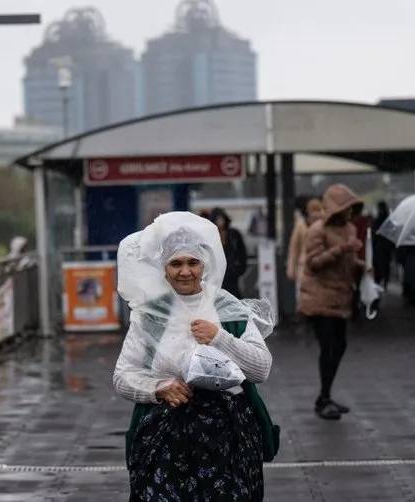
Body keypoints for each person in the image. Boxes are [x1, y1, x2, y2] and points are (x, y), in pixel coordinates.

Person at [113, 212, 278, 501]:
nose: (185, 271)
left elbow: (261, 370)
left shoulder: (229, 309)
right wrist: (158, 388)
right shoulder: (150, 315)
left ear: (205, 265)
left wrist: (220, 338)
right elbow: (123, 376)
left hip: (227, 437)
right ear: (163, 268)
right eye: (175, 263)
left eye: (193, 262)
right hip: (165, 437)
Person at [299, 184, 364, 420]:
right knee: (328, 348)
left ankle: (325, 394)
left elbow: (347, 262)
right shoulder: (317, 230)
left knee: (340, 346)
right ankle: (323, 398)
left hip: (341, 296)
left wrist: (360, 265)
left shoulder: (350, 229)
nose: (349, 212)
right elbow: (313, 263)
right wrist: (342, 249)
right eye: (346, 207)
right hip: (319, 297)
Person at [287, 197, 324, 293]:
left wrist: (291, 269)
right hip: (312, 267)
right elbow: (294, 248)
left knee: (304, 296)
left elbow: (294, 248)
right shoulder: (302, 224)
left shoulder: (302, 224)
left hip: (307, 267)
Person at [210, 207, 248, 298]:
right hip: (216, 277)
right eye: (217, 219)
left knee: (234, 298)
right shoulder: (211, 236)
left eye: (221, 218)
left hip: (232, 276)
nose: (220, 221)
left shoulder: (234, 234)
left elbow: (242, 254)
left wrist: (237, 269)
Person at [371, 201, 394, 288]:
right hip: (385, 248)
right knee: (384, 265)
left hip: (380, 247)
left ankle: (380, 281)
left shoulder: (378, 220)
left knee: (380, 265)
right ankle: (384, 281)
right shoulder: (388, 220)